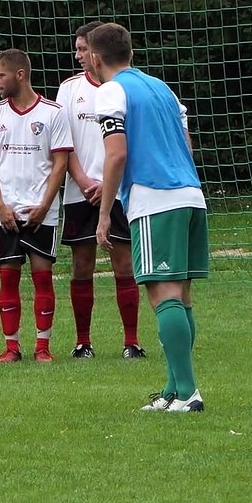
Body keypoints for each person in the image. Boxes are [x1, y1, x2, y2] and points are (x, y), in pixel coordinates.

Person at [90, 22, 208, 412]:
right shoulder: (163, 88)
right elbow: (187, 143)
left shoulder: (111, 90)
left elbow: (117, 153)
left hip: (154, 197)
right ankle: (174, 388)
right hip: (190, 194)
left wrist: (105, 212)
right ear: (131, 53)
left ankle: (189, 393)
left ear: (94, 57)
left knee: (163, 294)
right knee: (182, 296)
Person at [56, 21, 146, 360]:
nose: (78, 55)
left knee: (124, 263)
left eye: (83, 49)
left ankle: (132, 342)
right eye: (77, 49)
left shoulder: (122, 88)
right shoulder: (69, 90)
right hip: (81, 190)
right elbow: (63, 143)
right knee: (82, 265)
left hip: (120, 190)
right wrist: (82, 181)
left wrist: (109, 183)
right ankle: (83, 342)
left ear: (97, 53)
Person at [0, 49, 72, 363]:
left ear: (20, 74)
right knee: (8, 277)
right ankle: (12, 346)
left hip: (40, 211)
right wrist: (0, 206)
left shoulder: (53, 113)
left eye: (0, 75)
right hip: (6, 211)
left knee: (42, 275)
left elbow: (60, 163)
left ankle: (42, 346)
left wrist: (45, 205)